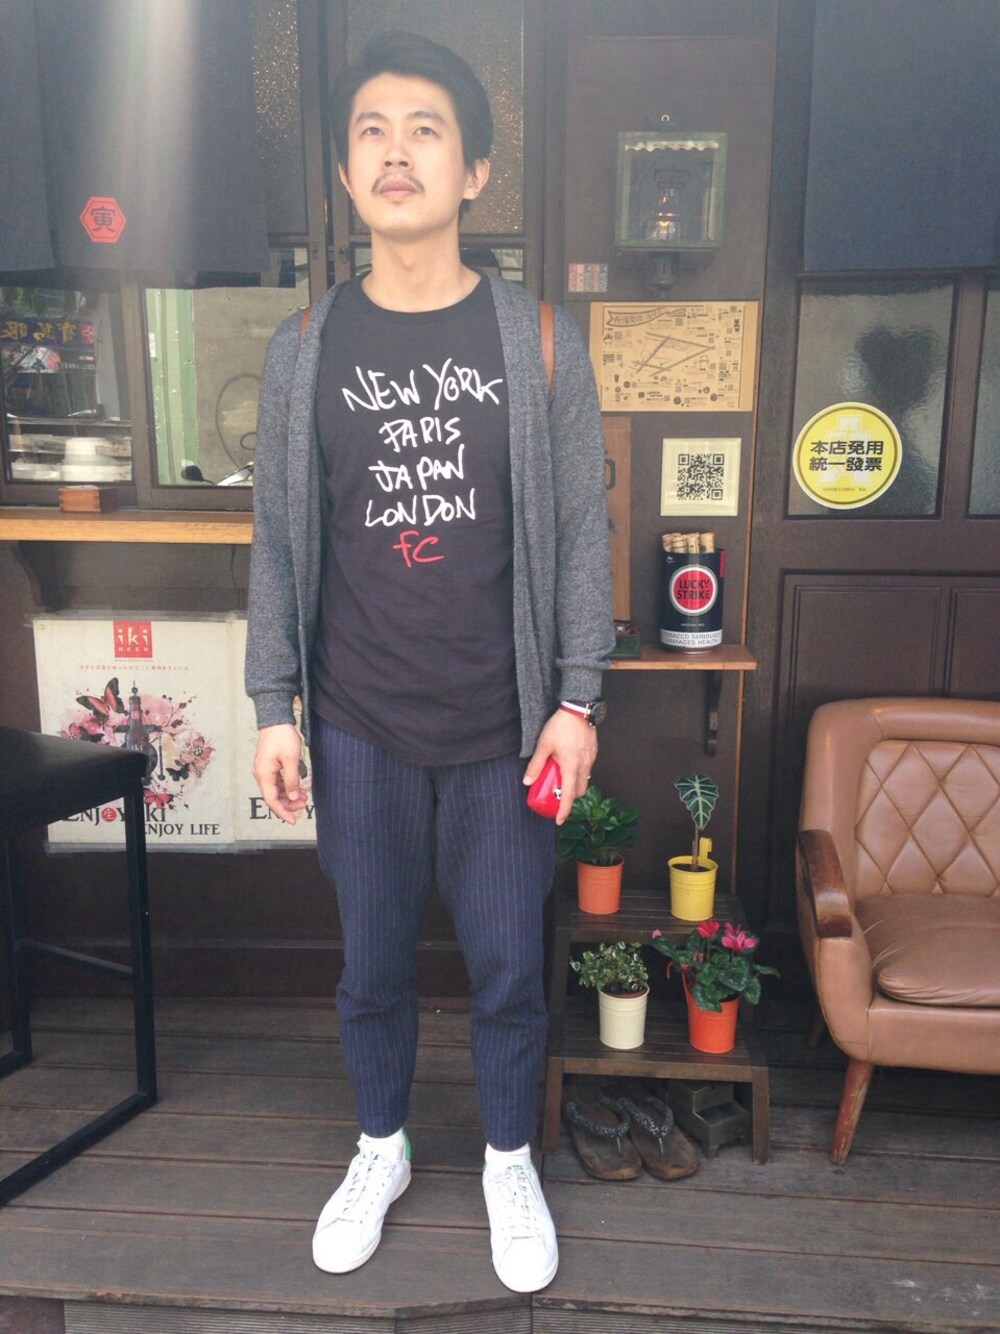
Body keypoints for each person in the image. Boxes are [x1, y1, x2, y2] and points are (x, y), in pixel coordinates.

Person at [245, 31, 612, 1295]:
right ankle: (381, 1146)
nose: (395, 152)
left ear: (474, 172)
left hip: (506, 725)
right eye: (371, 131)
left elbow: (580, 530)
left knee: (509, 964)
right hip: (358, 723)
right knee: (372, 965)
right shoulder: (304, 348)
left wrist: (577, 697)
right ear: (347, 173)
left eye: (425, 130)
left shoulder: (541, 341)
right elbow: (279, 538)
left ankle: (509, 1156)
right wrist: (274, 705)